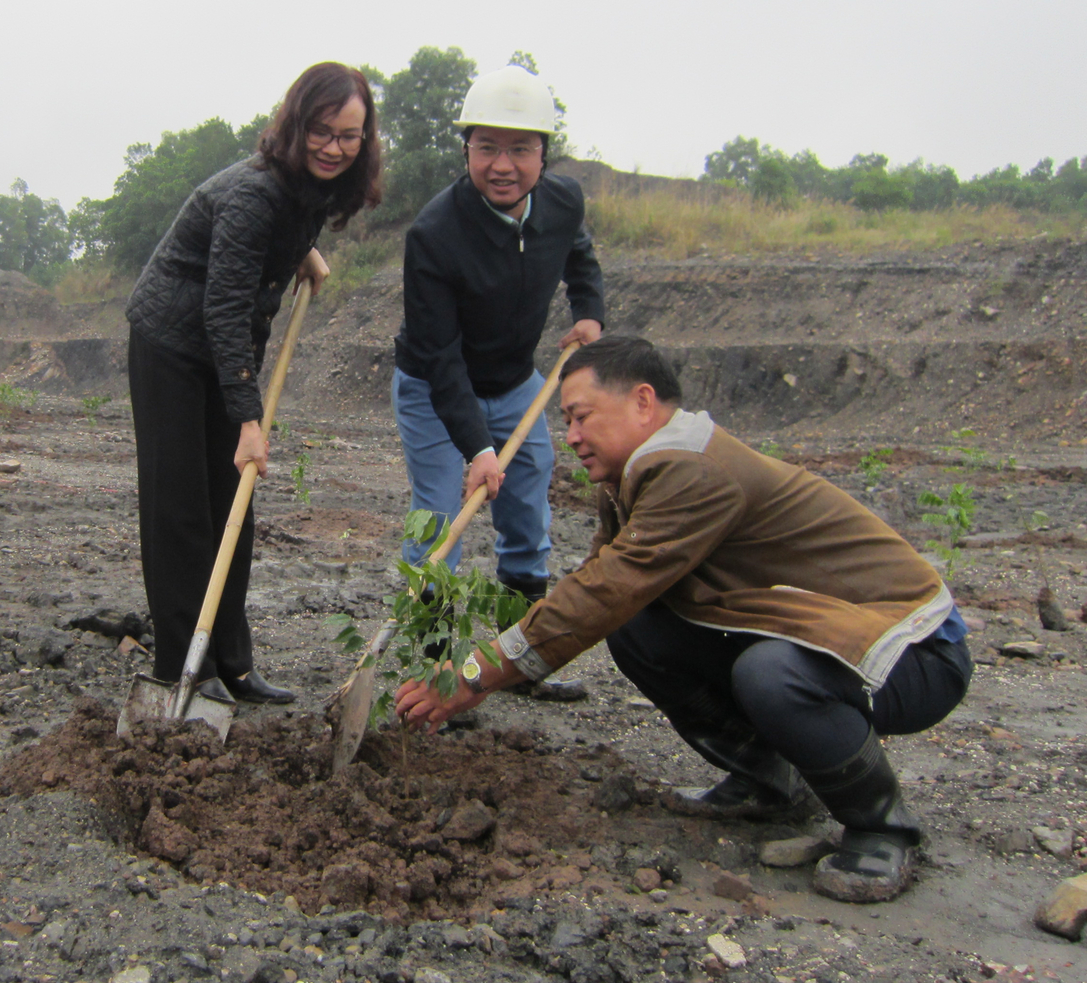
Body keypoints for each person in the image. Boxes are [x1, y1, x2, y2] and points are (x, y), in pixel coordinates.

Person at [394, 336, 972, 903]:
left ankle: (881, 826)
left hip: (911, 650)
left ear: (643, 402)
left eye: (580, 417)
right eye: (565, 422)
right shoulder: (634, 474)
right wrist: (490, 666)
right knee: (639, 626)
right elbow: (601, 587)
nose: (569, 437)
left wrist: (473, 673)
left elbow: (605, 589)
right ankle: (767, 779)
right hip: (815, 633)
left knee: (770, 674)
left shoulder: (690, 470)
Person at [125, 62, 382, 707]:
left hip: (220, 343)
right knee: (182, 508)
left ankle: (233, 664)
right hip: (171, 344)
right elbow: (224, 306)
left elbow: (263, 246)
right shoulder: (255, 192)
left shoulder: (310, 189)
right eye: (321, 132)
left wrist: (300, 249)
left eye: (348, 136)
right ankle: (182, 666)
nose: (333, 147)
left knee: (232, 507)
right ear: (296, 126)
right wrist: (249, 420)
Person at [392, 65, 604, 611]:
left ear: (543, 155)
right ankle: (431, 669)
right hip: (433, 388)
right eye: (486, 148)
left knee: (529, 511)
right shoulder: (434, 235)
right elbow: (439, 356)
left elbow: (579, 256)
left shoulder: (563, 202)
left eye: (521, 149)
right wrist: (480, 449)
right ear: (466, 151)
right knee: (440, 521)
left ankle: (519, 653)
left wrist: (589, 313)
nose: (502, 166)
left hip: (515, 384)